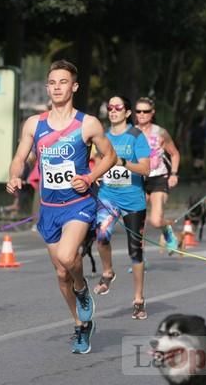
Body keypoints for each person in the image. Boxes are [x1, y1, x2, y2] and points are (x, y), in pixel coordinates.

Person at [6, 60, 116, 354]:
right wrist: (14, 176)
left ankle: (82, 290)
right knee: (60, 273)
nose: (57, 87)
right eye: (52, 82)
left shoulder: (87, 123)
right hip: (49, 208)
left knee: (69, 257)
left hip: (78, 204)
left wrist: (90, 176)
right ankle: (81, 325)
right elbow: (19, 157)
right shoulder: (34, 124)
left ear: (74, 87)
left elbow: (110, 156)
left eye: (63, 82)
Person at [92, 96, 151, 319]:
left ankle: (138, 299)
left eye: (118, 107)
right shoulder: (103, 136)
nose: (113, 110)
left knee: (135, 251)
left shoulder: (136, 137)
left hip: (133, 201)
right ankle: (108, 272)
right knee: (102, 235)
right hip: (108, 197)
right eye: (110, 107)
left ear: (127, 113)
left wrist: (123, 163)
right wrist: (97, 173)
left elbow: (146, 169)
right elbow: (99, 159)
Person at [134, 97, 181, 251]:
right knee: (137, 223)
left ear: (152, 113)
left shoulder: (160, 132)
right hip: (138, 179)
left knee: (155, 221)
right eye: (138, 111)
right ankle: (139, 259)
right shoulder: (130, 133)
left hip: (158, 178)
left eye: (145, 111)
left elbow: (174, 154)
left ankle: (166, 229)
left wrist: (174, 174)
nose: (141, 114)